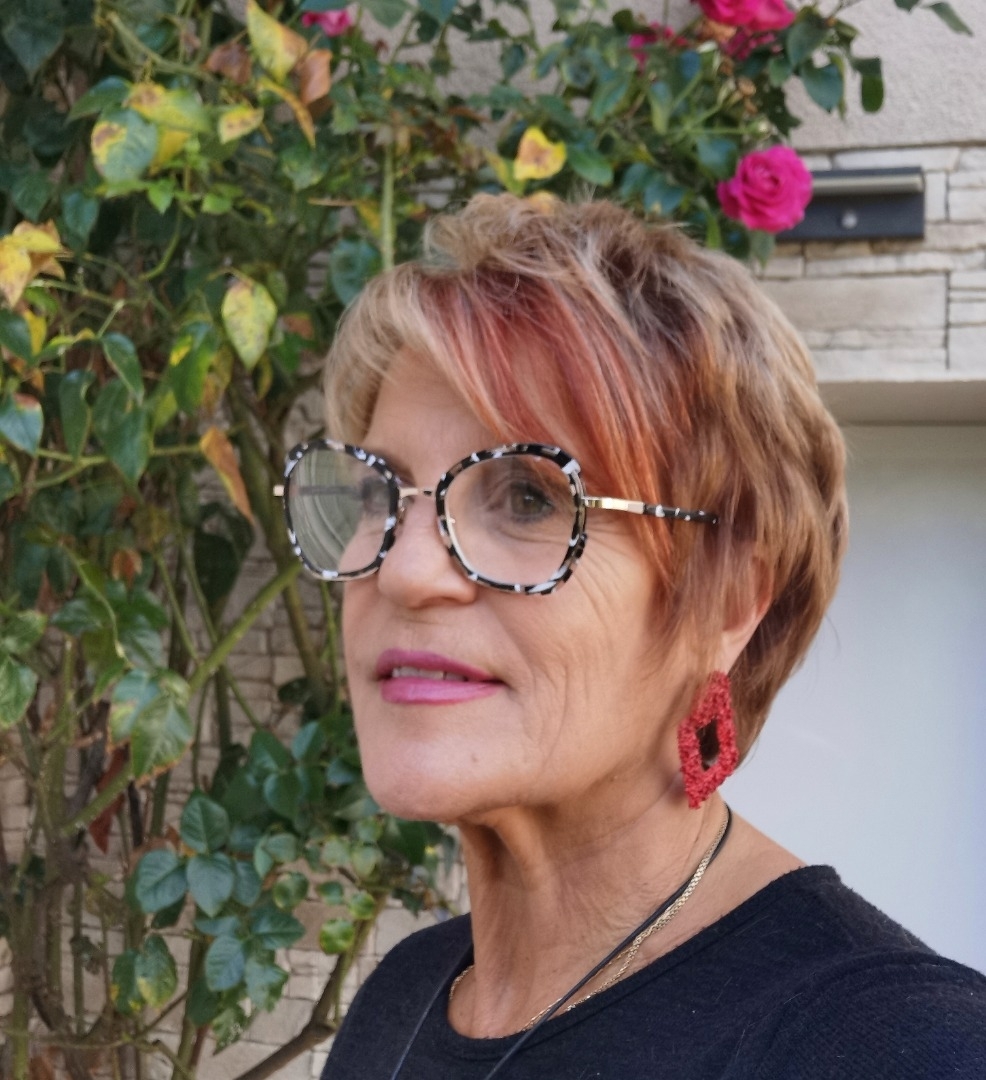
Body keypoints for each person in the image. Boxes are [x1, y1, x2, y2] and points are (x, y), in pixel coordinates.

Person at [278, 195, 986, 1079]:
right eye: (379, 493)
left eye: (529, 497)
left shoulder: (896, 1048)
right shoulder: (406, 992)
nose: (404, 571)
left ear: (729, 602)